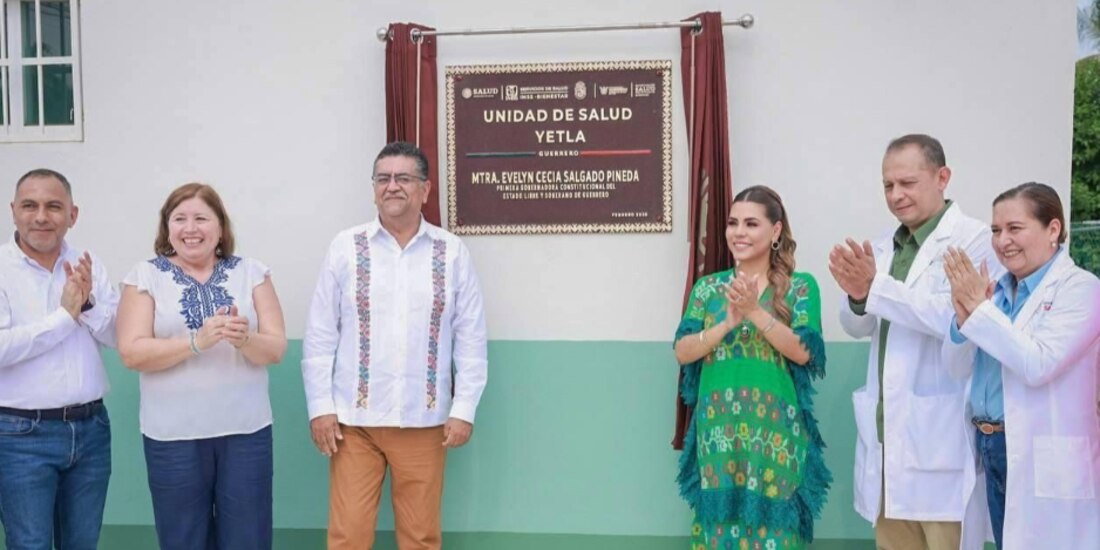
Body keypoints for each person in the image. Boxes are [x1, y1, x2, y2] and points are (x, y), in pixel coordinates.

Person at [302, 141, 488, 550]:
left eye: (403, 178)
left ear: (425, 189)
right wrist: (321, 407)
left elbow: (470, 338)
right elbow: (319, 334)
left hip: (425, 421)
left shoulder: (451, 251)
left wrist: (464, 409)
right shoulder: (345, 247)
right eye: (383, 178)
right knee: (347, 535)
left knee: (420, 537)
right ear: (373, 189)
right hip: (353, 422)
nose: (392, 187)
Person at [829, 134, 998, 550]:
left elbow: (956, 317)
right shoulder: (886, 246)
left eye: (907, 183)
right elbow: (858, 326)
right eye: (888, 185)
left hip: (941, 440)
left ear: (942, 177)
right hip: (888, 444)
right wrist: (857, 295)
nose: (896, 195)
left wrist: (875, 288)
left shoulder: (976, 241)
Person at [116, 183, 287, 550]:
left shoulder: (252, 272)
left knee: (249, 539)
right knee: (183, 539)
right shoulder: (144, 276)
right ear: (167, 228)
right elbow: (131, 352)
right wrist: (197, 342)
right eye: (179, 218)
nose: (190, 228)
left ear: (221, 228)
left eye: (201, 218)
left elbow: (275, 349)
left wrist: (244, 339)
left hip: (246, 433)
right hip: (171, 437)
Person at [942, 182, 1100, 550]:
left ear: (1053, 230)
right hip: (989, 446)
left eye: (1014, 228)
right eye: (996, 230)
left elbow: (1038, 363)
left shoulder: (1081, 289)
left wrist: (979, 312)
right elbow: (954, 366)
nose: (1002, 241)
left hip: (1041, 454)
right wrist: (964, 316)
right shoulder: (993, 290)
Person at [674, 185, 830, 549]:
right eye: (732, 223)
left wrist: (754, 312)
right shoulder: (708, 289)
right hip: (718, 432)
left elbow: (805, 351)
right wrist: (727, 323)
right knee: (719, 529)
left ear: (775, 231)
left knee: (774, 532)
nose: (738, 232)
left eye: (751, 223)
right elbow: (683, 351)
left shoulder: (799, 287)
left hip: (775, 434)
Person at [0, 168, 118, 550]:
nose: (41, 216)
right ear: (13, 211)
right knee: (29, 544)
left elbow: (119, 336)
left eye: (54, 206)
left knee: (82, 544)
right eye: (29, 205)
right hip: (19, 436)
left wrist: (87, 304)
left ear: (73, 214)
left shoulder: (89, 264)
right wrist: (63, 319)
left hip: (91, 431)